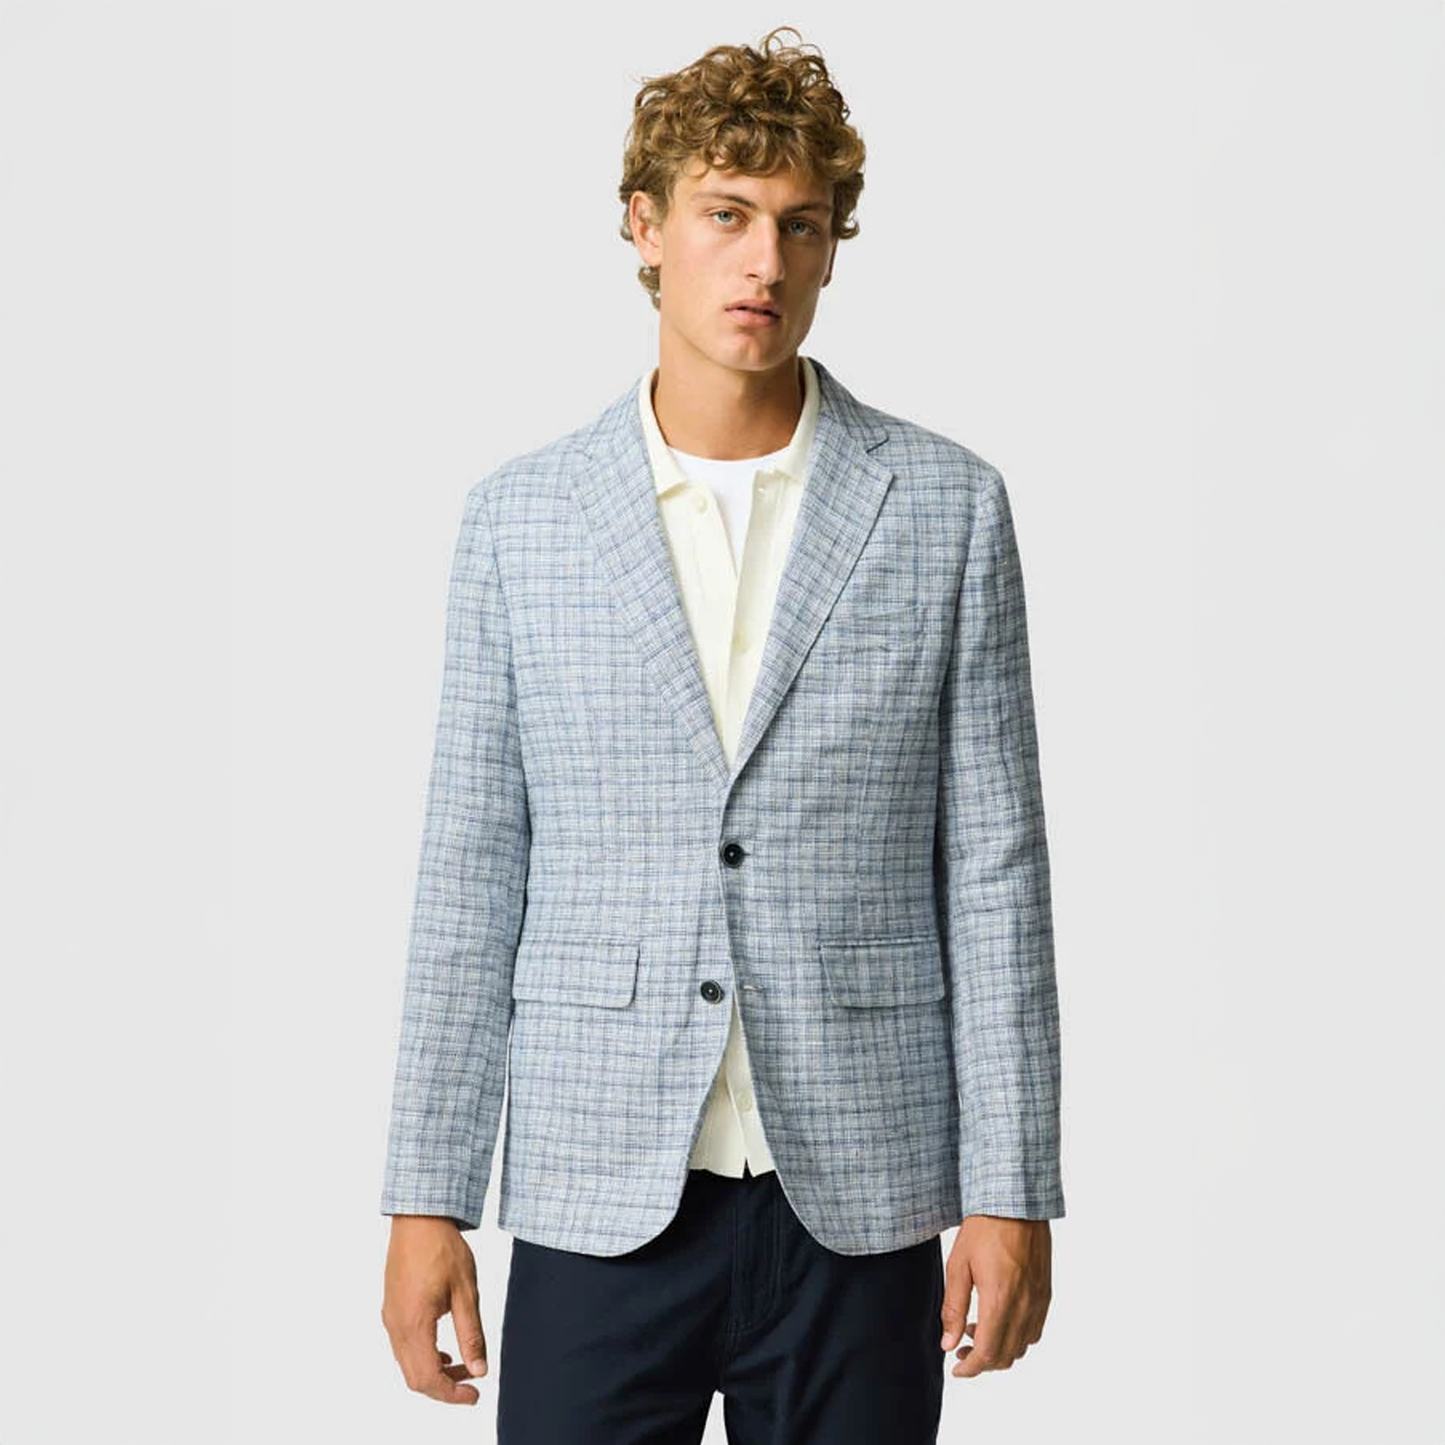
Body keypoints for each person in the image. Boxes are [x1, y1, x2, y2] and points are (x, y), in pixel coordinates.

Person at [378, 25, 1064, 1444]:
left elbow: (995, 872)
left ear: (832, 250)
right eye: (727, 215)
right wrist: (425, 1195)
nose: (764, 262)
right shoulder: (521, 521)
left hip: (858, 1195)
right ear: (646, 226)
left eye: (800, 226)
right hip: (598, 1189)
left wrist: (1010, 1189)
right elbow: (471, 871)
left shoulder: (946, 508)